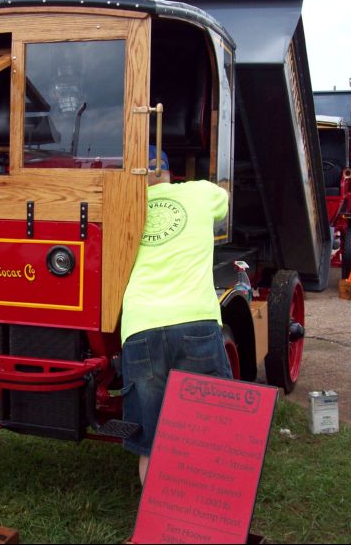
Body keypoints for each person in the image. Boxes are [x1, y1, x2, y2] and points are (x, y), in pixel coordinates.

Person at [121, 146, 232, 485]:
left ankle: (157, 526)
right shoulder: (200, 191)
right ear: (170, 172)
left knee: (151, 443)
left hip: (140, 326)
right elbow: (224, 198)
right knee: (210, 429)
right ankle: (205, 513)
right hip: (195, 320)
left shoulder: (125, 207)